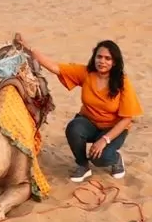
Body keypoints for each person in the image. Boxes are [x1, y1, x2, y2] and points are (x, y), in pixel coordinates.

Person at [14, 34, 143, 182]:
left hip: (113, 128)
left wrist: (105, 140)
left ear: (114, 62)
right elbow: (55, 67)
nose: (102, 61)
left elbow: (127, 118)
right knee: (74, 128)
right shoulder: (86, 73)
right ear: (94, 58)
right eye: (99, 57)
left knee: (101, 159)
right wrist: (28, 48)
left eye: (108, 58)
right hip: (89, 122)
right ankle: (83, 165)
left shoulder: (122, 81)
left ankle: (116, 159)